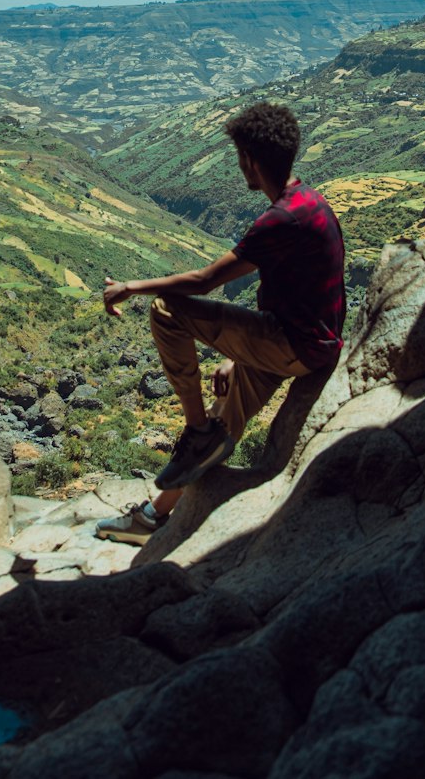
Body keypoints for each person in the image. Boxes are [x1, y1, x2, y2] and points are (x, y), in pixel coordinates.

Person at [96, 101, 345, 544]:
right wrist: (240, 355)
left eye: (239, 158)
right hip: (308, 344)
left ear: (249, 160)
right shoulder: (310, 201)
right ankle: (154, 517)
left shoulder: (279, 219)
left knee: (166, 310)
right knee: (224, 420)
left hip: (291, 345)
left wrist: (131, 287)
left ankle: (195, 431)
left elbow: (206, 280)